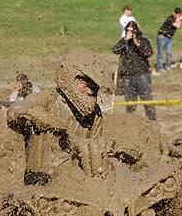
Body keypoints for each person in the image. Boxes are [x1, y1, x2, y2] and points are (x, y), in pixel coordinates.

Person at [7, 49, 114, 185]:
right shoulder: (48, 99)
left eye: (95, 89)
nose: (90, 92)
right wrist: (36, 116)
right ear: (72, 78)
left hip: (75, 180)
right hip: (39, 178)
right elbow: (14, 111)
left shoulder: (95, 114)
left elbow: (96, 145)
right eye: (87, 86)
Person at [113, 21, 157, 121]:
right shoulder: (124, 42)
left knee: (147, 101)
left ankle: (152, 121)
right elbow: (115, 50)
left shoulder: (144, 41)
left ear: (136, 31)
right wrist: (125, 40)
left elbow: (149, 53)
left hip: (142, 75)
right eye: (127, 30)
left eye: (132, 31)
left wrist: (137, 43)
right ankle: (130, 123)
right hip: (127, 77)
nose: (130, 33)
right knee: (130, 103)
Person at [154, 7, 182, 75]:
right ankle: (159, 68)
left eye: (179, 14)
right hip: (162, 37)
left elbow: (179, 24)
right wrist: (180, 19)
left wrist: (180, 19)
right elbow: (177, 26)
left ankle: (167, 66)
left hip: (169, 38)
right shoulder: (170, 18)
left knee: (169, 53)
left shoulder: (177, 19)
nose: (177, 15)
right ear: (173, 12)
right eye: (176, 13)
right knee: (160, 54)